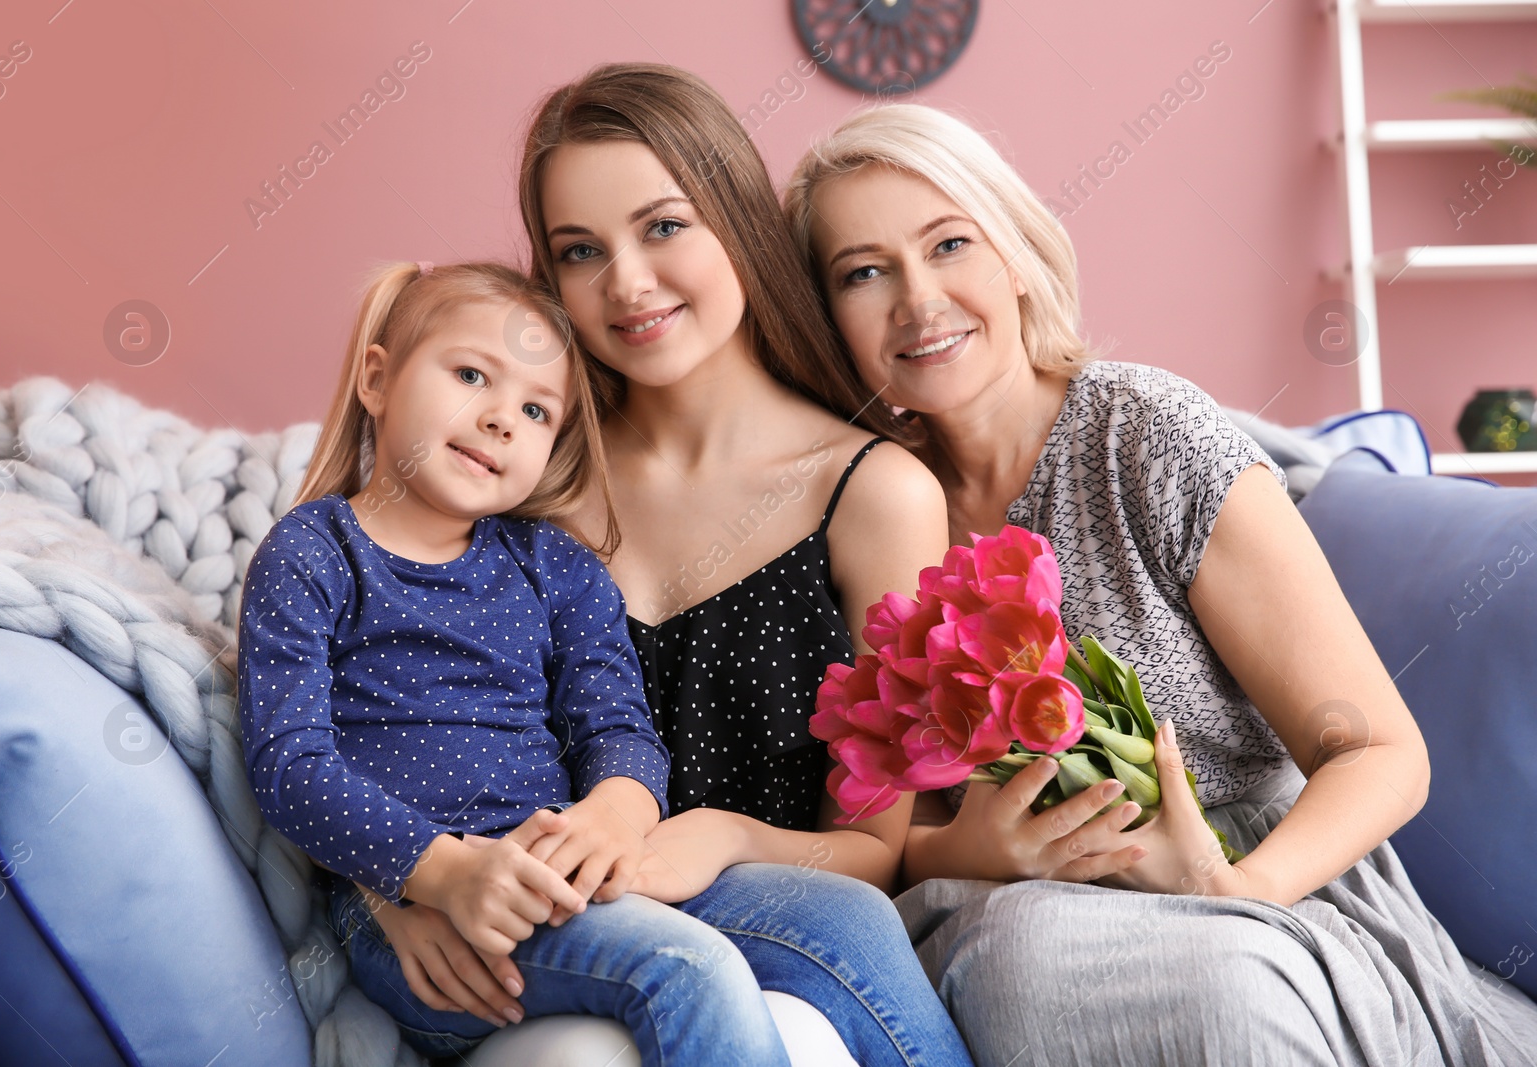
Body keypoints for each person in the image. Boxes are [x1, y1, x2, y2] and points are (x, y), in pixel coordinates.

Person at [783, 102, 1537, 1065]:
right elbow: (885, 830)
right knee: (1021, 956)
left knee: (1161, 984)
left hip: (1258, 888)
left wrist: (1237, 891)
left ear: (1014, 256)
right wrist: (964, 852)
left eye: (949, 244)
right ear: (829, 319)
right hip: (1004, 920)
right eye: (863, 272)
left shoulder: (1145, 436)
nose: (918, 298)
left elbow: (1383, 751)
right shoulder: (873, 506)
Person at [362, 64, 977, 1066]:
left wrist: (726, 836)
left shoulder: (875, 495)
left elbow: (874, 849)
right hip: (548, 949)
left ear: (734, 216)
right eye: (580, 251)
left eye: (662, 226)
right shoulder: (518, 480)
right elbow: (362, 697)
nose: (629, 284)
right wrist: (397, 887)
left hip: (780, 956)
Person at [237, 259, 798, 1064]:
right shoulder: (314, 552)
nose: (503, 418)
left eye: (537, 409)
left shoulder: (554, 565)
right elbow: (290, 764)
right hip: (420, 916)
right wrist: (438, 873)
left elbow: (620, 726)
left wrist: (612, 811)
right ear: (377, 378)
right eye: (471, 374)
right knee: (688, 969)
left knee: (850, 918)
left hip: (560, 875)